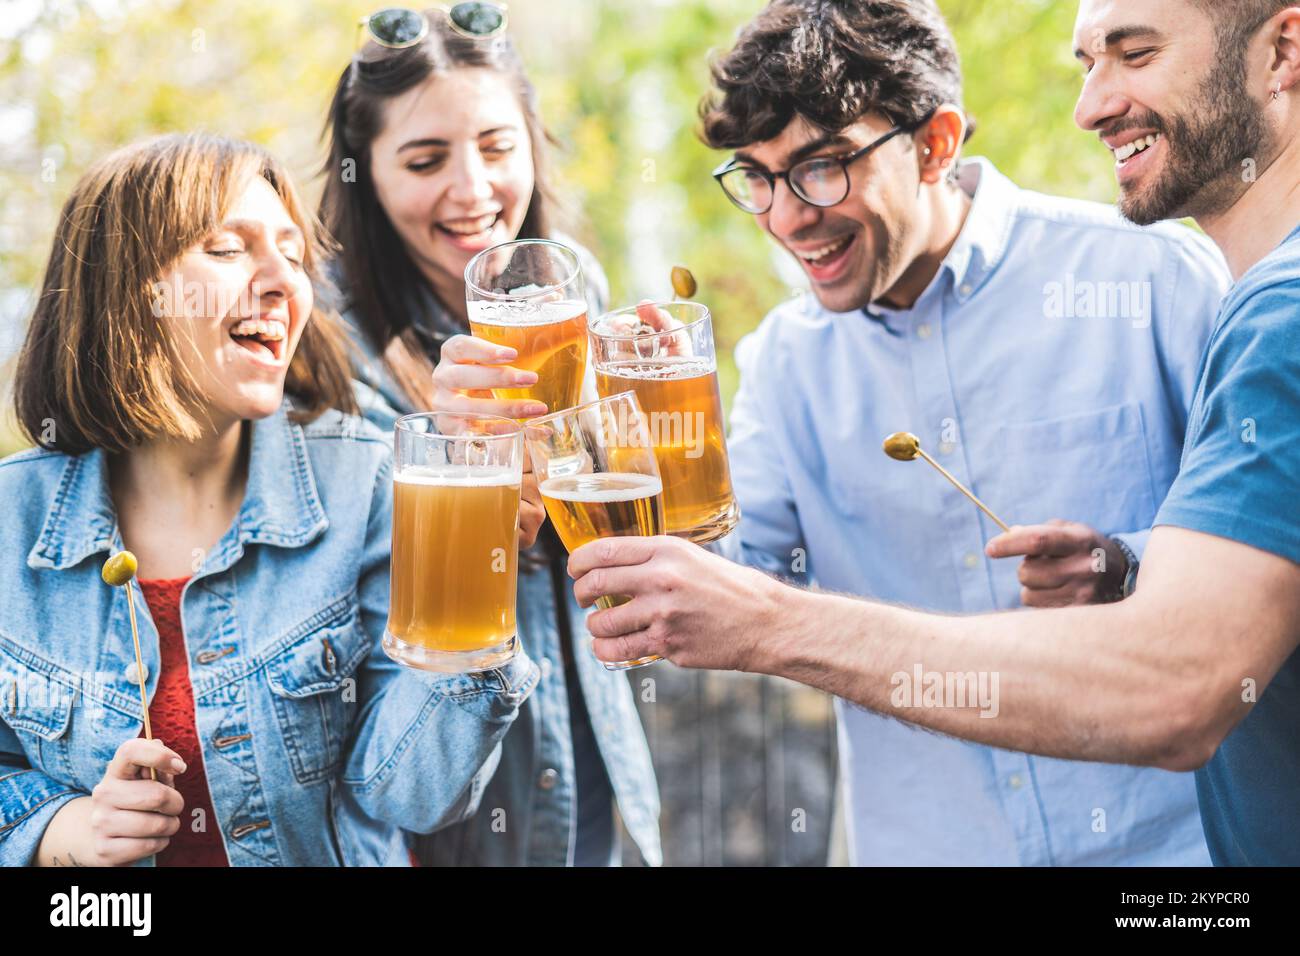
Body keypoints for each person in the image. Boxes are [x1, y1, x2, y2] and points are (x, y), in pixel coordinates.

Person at [569, 0, 1236, 866]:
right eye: (758, 178)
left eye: (821, 167)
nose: (787, 217)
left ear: (936, 143)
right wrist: (634, 449)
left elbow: (1264, 546)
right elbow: (726, 588)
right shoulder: (783, 364)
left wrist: (1130, 560)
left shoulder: (1152, 278)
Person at [0, 133, 538, 867]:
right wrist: (57, 832)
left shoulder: (369, 482)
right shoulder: (10, 518)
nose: (283, 279)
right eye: (228, 249)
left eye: (292, 252)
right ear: (129, 290)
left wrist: (480, 570)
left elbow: (410, 795)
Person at [319, 8, 661, 866]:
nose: (473, 190)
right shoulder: (321, 349)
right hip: (447, 820)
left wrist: (624, 420)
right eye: (426, 160)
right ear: (366, 176)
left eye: (498, 147)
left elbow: (628, 560)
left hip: (598, 785)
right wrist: (456, 452)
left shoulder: (566, 296)